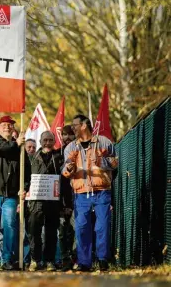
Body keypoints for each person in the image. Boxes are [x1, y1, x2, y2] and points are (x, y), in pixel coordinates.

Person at [62, 114, 118, 272]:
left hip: (102, 192)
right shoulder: (71, 147)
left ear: (84, 125)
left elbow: (115, 164)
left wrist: (103, 162)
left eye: (75, 125)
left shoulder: (104, 142)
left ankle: (102, 260)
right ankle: (84, 262)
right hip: (81, 193)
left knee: (102, 226)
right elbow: (65, 171)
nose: (73, 128)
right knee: (81, 227)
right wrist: (69, 168)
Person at [0, 116, 30, 271]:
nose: (7, 127)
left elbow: (27, 171)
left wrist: (24, 188)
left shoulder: (20, 149)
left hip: (10, 195)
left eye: (10, 125)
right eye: (3, 125)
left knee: (10, 225)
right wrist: (16, 144)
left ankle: (7, 259)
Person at [27, 131, 72, 272]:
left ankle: (50, 261)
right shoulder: (32, 158)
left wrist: (66, 204)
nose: (47, 143)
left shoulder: (59, 157)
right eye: (45, 140)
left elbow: (64, 183)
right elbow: (26, 179)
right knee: (34, 232)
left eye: (50, 140)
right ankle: (35, 260)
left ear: (54, 142)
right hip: (36, 202)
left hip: (54, 202)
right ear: (40, 141)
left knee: (51, 232)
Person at [58, 125, 76, 271]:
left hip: (79, 198)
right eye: (65, 135)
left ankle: (76, 258)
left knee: (77, 231)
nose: (67, 137)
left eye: (70, 134)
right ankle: (65, 259)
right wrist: (63, 204)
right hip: (62, 200)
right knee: (63, 232)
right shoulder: (57, 155)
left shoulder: (80, 152)